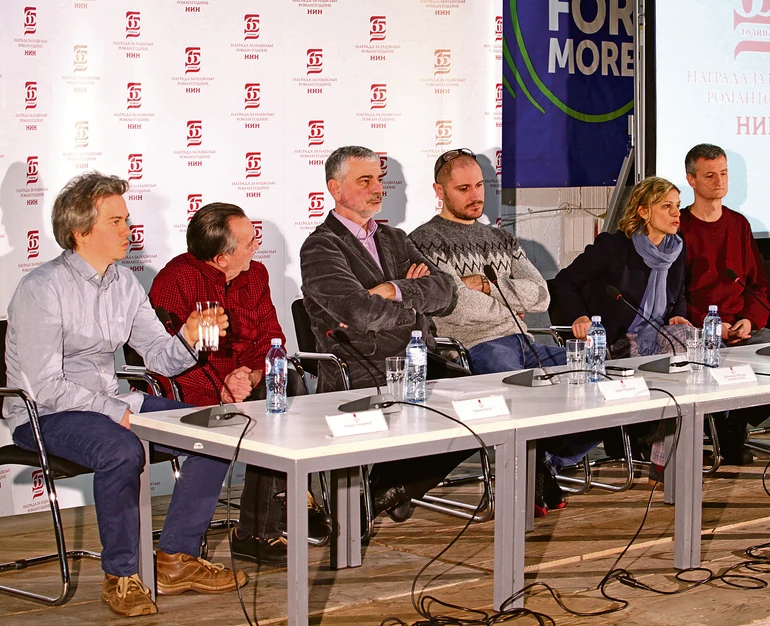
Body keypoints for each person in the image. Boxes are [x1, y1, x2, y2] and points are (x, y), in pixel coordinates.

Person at [3, 172, 246, 617]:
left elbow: (159, 357)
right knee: (122, 449)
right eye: (115, 221)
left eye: (126, 219)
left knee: (212, 432)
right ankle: (121, 575)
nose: (127, 230)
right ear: (80, 231)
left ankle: (176, 558)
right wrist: (118, 413)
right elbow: (44, 387)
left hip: (108, 400)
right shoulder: (41, 289)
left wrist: (190, 338)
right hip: (43, 414)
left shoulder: (124, 283)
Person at [409, 148, 589, 516]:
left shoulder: (500, 238)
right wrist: (505, 296)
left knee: (598, 381)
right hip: (476, 345)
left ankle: (544, 461)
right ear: (439, 191)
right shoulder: (423, 241)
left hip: (525, 339)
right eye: (463, 188)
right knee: (516, 390)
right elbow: (456, 306)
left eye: (479, 185)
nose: (475, 195)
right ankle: (531, 469)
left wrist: (489, 287)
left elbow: (541, 294)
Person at [149, 202, 331, 565]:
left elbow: (271, 339)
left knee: (286, 384)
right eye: (249, 242)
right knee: (275, 400)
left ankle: (263, 524)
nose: (256, 246)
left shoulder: (256, 274)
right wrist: (220, 388)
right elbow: (163, 362)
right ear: (220, 258)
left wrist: (251, 375)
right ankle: (269, 521)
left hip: (250, 385)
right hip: (197, 393)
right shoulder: (175, 282)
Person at [299, 145, 468, 525]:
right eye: (365, 181)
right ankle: (389, 490)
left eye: (379, 180)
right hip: (362, 367)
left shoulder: (394, 238)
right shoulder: (320, 247)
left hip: (417, 360)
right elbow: (359, 314)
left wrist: (391, 289)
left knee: (476, 404)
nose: (378, 189)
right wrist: (413, 305)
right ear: (335, 188)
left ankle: (386, 490)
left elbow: (445, 292)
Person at [554, 176, 691, 483]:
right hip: (616, 340)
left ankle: (662, 456)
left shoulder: (677, 249)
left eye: (678, 207)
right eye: (667, 206)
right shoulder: (614, 247)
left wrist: (679, 316)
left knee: (689, 347)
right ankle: (646, 444)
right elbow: (565, 281)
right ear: (644, 212)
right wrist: (580, 317)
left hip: (657, 335)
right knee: (675, 355)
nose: (676, 214)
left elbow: (679, 295)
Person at [680, 143, 770, 464]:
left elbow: (757, 286)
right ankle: (721, 428)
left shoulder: (739, 224)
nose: (719, 181)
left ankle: (735, 424)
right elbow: (674, 296)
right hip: (700, 331)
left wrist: (750, 321)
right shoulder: (679, 226)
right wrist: (712, 327)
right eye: (709, 175)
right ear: (691, 180)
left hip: (743, 329)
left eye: (723, 173)